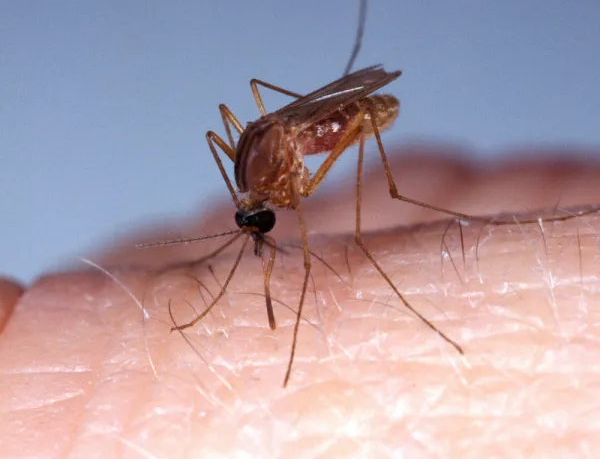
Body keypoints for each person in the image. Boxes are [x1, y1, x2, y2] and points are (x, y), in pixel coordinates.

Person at [1, 148, 599, 457]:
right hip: (275, 151)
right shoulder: (254, 190)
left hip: (330, 121)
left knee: (360, 196)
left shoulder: (276, 184)